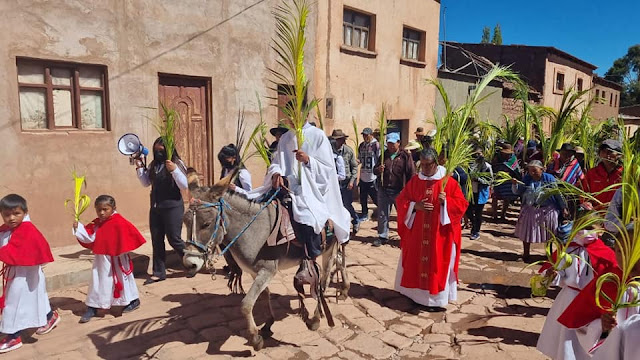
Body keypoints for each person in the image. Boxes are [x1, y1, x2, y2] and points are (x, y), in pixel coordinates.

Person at [246, 119, 350, 271]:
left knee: (307, 217)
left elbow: (327, 168)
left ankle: (309, 259)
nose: (292, 119)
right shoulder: (286, 137)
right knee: (257, 206)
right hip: (286, 186)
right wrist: (276, 173)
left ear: (305, 114)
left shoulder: (318, 135)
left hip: (310, 189)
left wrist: (308, 160)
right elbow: (277, 162)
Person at [394, 148, 468, 310]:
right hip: (417, 234)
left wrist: (446, 202)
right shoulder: (415, 181)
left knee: (437, 265)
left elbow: (462, 205)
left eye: (429, 165)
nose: (425, 168)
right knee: (415, 262)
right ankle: (414, 295)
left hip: (439, 235)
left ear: (436, 163)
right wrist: (415, 206)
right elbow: (401, 200)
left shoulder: (448, 182)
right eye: (422, 165)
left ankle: (436, 300)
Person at [536, 218, 617, 360]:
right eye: (581, 227)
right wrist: (552, 275)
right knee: (565, 339)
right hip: (568, 299)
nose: (585, 231)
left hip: (591, 304)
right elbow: (557, 274)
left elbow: (612, 282)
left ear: (601, 231)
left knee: (585, 343)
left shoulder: (608, 254)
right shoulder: (568, 249)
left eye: (590, 227)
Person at [72, 195, 146, 323]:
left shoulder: (119, 222)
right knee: (98, 281)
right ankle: (93, 306)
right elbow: (90, 238)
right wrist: (78, 229)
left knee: (124, 280)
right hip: (102, 259)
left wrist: (118, 249)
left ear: (113, 208)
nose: (101, 213)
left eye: (105, 209)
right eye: (98, 210)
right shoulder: (97, 223)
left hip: (118, 259)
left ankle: (133, 300)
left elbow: (128, 237)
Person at [0, 194, 59, 353]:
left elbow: (14, 251)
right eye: (7, 215)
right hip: (18, 273)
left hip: (26, 275)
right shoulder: (8, 229)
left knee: (14, 303)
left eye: (16, 213)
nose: (11, 218)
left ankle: (13, 336)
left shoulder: (27, 230)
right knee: (35, 300)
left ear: (25, 212)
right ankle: (48, 316)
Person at [135, 137, 188, 284]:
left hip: (173, 207)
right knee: (157, 241)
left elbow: (184, 185)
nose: (158, 153)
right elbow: (146, 183)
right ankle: (159, 272)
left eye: (161, 150)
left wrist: (175, 170)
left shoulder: (177, 163)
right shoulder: (154, 165)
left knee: (174, 239)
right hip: (156, 208)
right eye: (156, 150)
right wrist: (139, 166)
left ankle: (192, 261)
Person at [512, 160, 568, 261]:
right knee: (526, 232)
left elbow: (557, 193)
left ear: (542, 170)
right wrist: (515, 184)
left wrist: (563, 207)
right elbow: (518, 191)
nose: (532, 173)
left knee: (549, 234)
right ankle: (526, 254)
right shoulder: (527, 179)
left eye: (535, 170)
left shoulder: (549, 178)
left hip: (547, 210)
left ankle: (548, 254)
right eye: (530, 171)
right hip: (531, 208)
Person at [373, 132, 415, 247]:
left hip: (399, 191)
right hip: (384, 189)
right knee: (382, 214)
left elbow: (411, 173)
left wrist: (409, 190)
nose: (391, 146)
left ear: (398, 143)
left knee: (402, 215)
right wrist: (378, 170)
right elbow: (374, 170)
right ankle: (383, 236)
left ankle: (405, 236)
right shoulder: (384, 155)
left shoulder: (405, 156)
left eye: (393, 143)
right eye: (389, 143)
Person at [330, 129, 360, 234]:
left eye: (340, 140)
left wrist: (352, 181)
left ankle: (355, 220)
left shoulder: (348, 151)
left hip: (346, 182)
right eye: (336, 140)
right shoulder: (329, 150)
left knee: (346, 204)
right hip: (333, 183)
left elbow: (355, 167)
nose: (338, 142)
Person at [581, 139, 623, 208]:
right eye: (603, 151)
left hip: (618, 216)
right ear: (599, 154)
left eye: (610, 152)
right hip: (595, 215)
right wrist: (587, 203)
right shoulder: (592, 173)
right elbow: (584, 193)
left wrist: (616, 205)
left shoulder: (625, 174)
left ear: (619, 155)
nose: (606, 155)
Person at [466, 146, 493, 240]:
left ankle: (476, 231)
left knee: (478, 213)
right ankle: (473, 224)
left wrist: (478, 180)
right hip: (470, 192)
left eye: (479, 154)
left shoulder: (487, 167)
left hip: (480, 193)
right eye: (475, 154)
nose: (477, 156)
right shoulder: (470, 165)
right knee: (468, 211)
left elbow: (490, 180)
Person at [492, 144, 522, 220]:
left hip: (508, 180)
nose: (506, 155)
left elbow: (516, 169)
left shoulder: (513, 158)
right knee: (495, 197)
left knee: (507, 198)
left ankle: (503, 214)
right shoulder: (497, 158)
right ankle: (495, 215)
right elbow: (493, 167)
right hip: (498, 179)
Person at [357, 127, 380, 221]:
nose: (365, 137)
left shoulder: (376, 145)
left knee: (375, 196)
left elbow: (379, 159)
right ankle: (364, 214)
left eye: (366, 135)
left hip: (372, 176)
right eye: (363, 135)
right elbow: (360, 158)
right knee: (363, 197)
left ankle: (382, 209)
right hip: (363, 175)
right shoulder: (362, 145)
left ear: (371, 135)